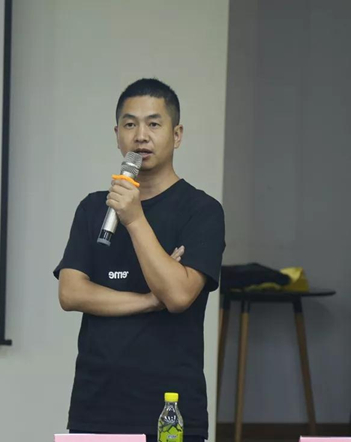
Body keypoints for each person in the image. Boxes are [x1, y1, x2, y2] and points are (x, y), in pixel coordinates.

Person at [53, 78, 226, 442]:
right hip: (95, 405)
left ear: (176, 135)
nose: (141, 136)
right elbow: (71, 293)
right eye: (130, 124)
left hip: (171, 409)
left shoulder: (202, 211)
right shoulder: (93, 208)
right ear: (117, 135)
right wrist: (149, 300)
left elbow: (177, 296)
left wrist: (134, 219)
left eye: (154, 124)